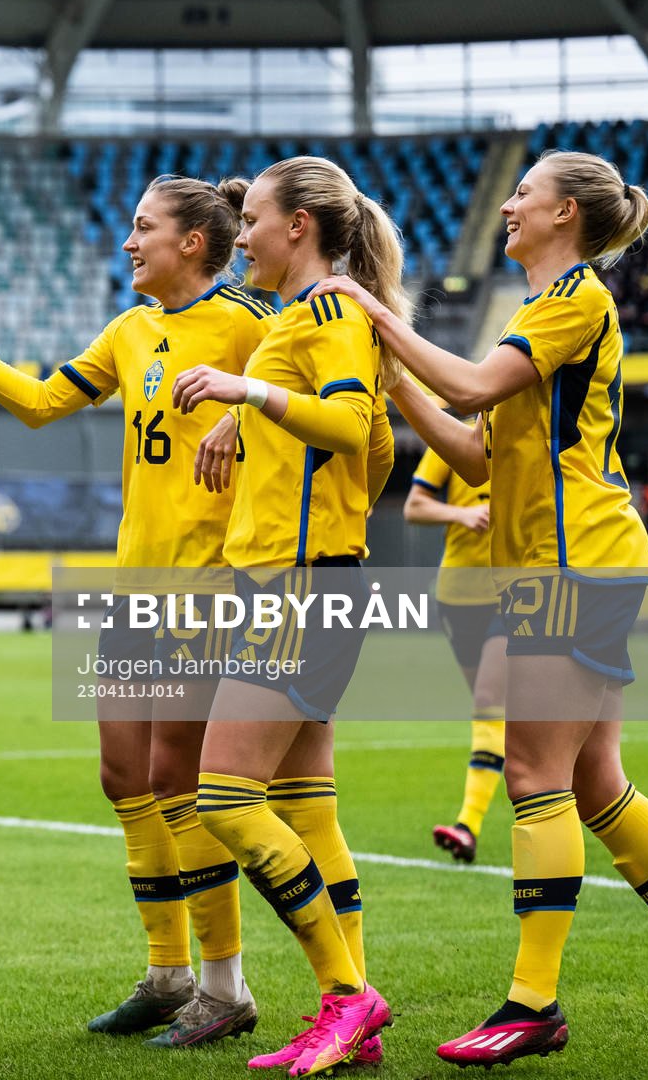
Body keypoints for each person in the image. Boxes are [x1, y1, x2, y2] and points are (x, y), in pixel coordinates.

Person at [309, 150, 648, 1067]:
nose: (509, 207)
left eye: (522, 194)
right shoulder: (540, 308)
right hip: (559, 562)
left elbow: (476, 387)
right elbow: (475, 453)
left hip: (577, 561)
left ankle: (533, 1005)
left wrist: (370, 312)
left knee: (533, 775)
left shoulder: (576, 298)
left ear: (565, 212)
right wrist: (395, 378)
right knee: (594, 780)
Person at [0, 174, 273, 1050]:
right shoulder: (132, 331)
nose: (128, 243)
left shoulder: (251, 322)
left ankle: (225, 985)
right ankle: (168, 975)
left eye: (144, 229)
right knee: (123, 777)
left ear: (194, 245)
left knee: (180, 782)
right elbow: (39, 404)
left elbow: (335, 413)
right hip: (136, 584)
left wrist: (246, 420)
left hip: (207, 584)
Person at [169, 155, 408, 1075]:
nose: (245, 238)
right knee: (308, 810)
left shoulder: (328, 309)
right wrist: (261, 423)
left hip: (300, 586)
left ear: (300, 224)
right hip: (299, 579)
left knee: (225, 797)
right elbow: (371, 445)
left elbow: (352, 428)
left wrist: (247, 396)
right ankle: (349, 1015)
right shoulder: (309, 317)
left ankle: (349, 996)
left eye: (257, 220)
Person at [405, 435, 506, 863]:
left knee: (488, 701)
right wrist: (462, 514)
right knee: (499, 716)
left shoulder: (530, 436)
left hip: (513, 594)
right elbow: (414, 506)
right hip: (458, 598)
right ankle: (550, 790)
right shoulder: (454, 441)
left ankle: (468, 825)